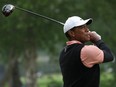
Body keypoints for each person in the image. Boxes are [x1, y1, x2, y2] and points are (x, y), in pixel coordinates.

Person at [59, 16, 114, 87]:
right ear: (72, 33)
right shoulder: (86, 50)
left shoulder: (63, 52)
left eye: (86, 27)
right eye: (82, 27)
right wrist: (98, 40)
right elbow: (109, 56)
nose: (87, 30)